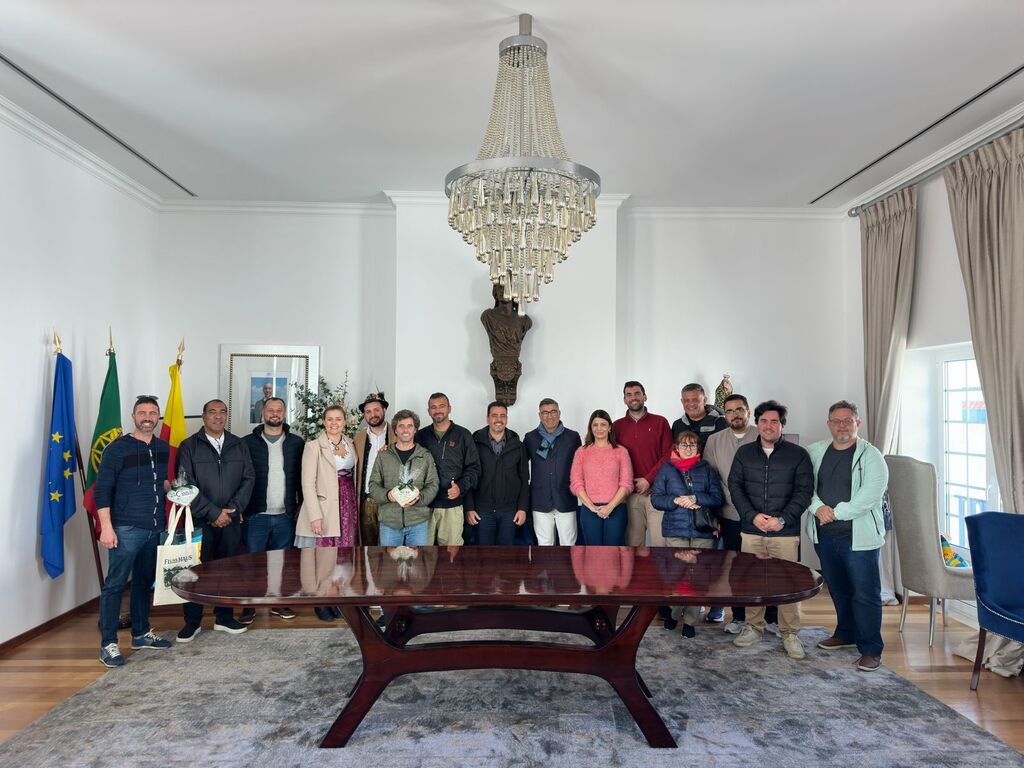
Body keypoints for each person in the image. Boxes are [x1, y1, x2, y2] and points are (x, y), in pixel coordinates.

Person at [805, 400, 889, 672]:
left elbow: (871, 495)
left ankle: (871, 648)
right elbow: (804, 486)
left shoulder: (871, 455)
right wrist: (818, 508)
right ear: (829, 424)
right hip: (825, 535)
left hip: (858, 537)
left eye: (847, 420)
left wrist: (836, 513)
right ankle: (846, 633)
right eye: (836, 421)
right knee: (839, 589)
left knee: (865, 593)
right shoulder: (815, 451)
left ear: (857, 424)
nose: (842, 425)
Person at [728, 399, 813, 659]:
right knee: (752, 581)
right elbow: (735, 487)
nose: (768, 426)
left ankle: (790, 633)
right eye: (763, 421)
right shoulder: (744, 453)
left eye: (774, 421)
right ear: (757, 423)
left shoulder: (798, 455)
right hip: (751, 529)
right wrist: (752, 516)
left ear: (782, 425)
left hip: (784, 532)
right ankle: (754, 627)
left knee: (788, 584)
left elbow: (804, 492)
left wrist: (782, 520)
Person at [94, 396, 173, 667]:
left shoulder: (163, 448)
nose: (147, 417)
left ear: (159, 416)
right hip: (125, 528)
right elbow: (102, 490)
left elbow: (159, 482)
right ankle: (108, 644)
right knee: (115, 584)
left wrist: (176, 490)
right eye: (142, 412)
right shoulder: (116, 449)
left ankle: (141, 634)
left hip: (154, 527)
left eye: (152, 412)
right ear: (134, 415)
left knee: (142, 583)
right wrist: (106, 527)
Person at [175, 399, 255, 642]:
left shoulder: (238, 444)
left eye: (222, 413)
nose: (218, 417)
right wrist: (212, 513)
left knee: (228, 571)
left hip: (230, 520)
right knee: (194, 572)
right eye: (212, 412)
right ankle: (192, 622)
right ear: (203, 416)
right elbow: (184, 484)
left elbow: (249, 478)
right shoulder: (189, 446)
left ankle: (224, 618)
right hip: (200, 521)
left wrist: (232, 510)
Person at [703, 393, 779, 634]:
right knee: (736, 567)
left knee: (766, 567)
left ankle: (772, 618)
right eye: (729, 411)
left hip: (763, 514)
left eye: (739, 410)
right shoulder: (715, 440)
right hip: (730, 514)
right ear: (724, 415)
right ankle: (738, 616)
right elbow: (711, 478)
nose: (735, 414)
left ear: (748, 412)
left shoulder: (763, 433)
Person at [651, 430, 724, 638]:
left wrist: (695, 497)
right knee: (676, 575)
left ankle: (690, 621)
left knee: (698, 578)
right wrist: (674, 500)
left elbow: (717, 498)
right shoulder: (666, 469)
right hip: (675, 530)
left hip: (702, 531)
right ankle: (674, 614)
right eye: (684, 445)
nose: (688, 448)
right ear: (677, 448)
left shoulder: (707, 469)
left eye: (692, 445)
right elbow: (656, 499)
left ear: (697, 448)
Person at [240, 396, 304, 622]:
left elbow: (303, 478)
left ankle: (279, 603)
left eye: (279, 410)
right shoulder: (246, 442)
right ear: (262, 414)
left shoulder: (297, 443)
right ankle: (250, 605)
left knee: (281, 563)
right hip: (256, 513)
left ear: (284, 414)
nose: (274, 414)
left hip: (285, 514)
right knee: (253, 563)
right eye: (270, 410)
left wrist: (301, 505)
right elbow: (240, 478)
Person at [295, 404, 358, 622]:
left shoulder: (350, 443)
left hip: (347, 502)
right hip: (324, 506)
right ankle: (320, 599)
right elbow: (307, 483)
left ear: (344, 422)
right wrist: (315, 515)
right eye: (329, 419)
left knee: (342, 552)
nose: (334, 423)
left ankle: (337, 595)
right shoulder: (313, 447)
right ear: (323, 422)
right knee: (322, 554)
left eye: (338, 419)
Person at [415, 392, 480, 545]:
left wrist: (460, 487)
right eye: (433, 407)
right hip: (424, 506)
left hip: (452, 506)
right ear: (428, 411)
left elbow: (474, 468)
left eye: (442, 406)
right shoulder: (420, 436)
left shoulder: (463, 435)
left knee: (451, 556)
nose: (438, 410)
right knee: (423, 556)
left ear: (449, 408)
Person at [613, 381, 673, 547]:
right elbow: (614, 460)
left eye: (637, 393)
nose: (634, 398)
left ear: (645, 396)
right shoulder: (616, 426)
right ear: (624, 399)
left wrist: (648, 479)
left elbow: (668, 455)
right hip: (631, 494)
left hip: (657, 492)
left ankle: (659, 574)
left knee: (659, 544)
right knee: (634, 544)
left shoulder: (660, 422)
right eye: (629, 395)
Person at [369, 410, 439, 545]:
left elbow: (433, 484)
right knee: (390, 564)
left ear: (415, 430)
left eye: (410, 426)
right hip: (389, 523)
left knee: (416, 564)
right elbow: (373, 484)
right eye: (401, 426)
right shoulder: (383, 456)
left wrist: (420, 498)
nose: (405, 430)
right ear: (395, 430)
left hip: (418, 522)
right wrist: (388, 495)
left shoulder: (425, 456)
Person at [465, 402, 529, 545]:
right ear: (487, 418)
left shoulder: (518, 445)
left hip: (510, 511)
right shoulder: (475, 442)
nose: (498, 419)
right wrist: (469, 507)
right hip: (482, 510)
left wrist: (522, 508)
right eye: (494, 415)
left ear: (507, 418)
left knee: (505, 557)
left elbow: (525, 479)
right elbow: (468, 476)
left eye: (502, 416)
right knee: (484, 556)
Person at [523, 398, 583, 545]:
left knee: (568, 544)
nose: (549, 416)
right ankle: (546, 570)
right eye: (545, 412)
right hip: (540, 499)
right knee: (544, 545)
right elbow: (522, 468)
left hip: (565, 498)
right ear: (539, 415)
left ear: (559, 413)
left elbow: (579, 468)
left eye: (553, 411)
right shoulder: (530, 437)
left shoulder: (572, 437)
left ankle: (568, 569)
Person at [570, 410, 633, 545]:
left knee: (613, 552)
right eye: (595, 425)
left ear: (610, 427)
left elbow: (626, 484)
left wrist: (610, 506)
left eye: (603, 425)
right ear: (590, 428)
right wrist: (591, 506)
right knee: (593, 553)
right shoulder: (582, 452)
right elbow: (576, 482)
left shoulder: (621, 452)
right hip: (589, 510)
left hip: (616, 509)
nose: (599, 428)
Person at [353, 392, 395, 546]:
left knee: (390, 547)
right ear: (364, 415)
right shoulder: (358, 439)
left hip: (391, 502)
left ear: (384, 410)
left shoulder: (397, 436)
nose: (373, 415)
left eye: (377, 410)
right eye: (368, 412)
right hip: (367, 501)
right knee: (367, 547)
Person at [671, 383, 727, 451]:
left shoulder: (721, 423)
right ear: (682, 402)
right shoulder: (677, 425)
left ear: (704, 400)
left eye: (695, 400)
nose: (691, 404)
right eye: (686, 400)